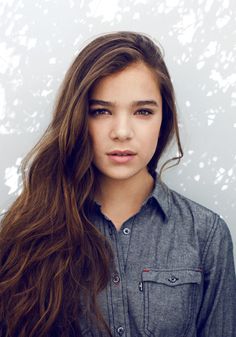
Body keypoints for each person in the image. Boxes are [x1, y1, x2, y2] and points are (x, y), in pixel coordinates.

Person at [0, 31, 235, 337]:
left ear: (164, 118)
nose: (122, 132)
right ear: (78, 119)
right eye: (101, 111)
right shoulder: (26, 234)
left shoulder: (205, 234)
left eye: (143, 111)